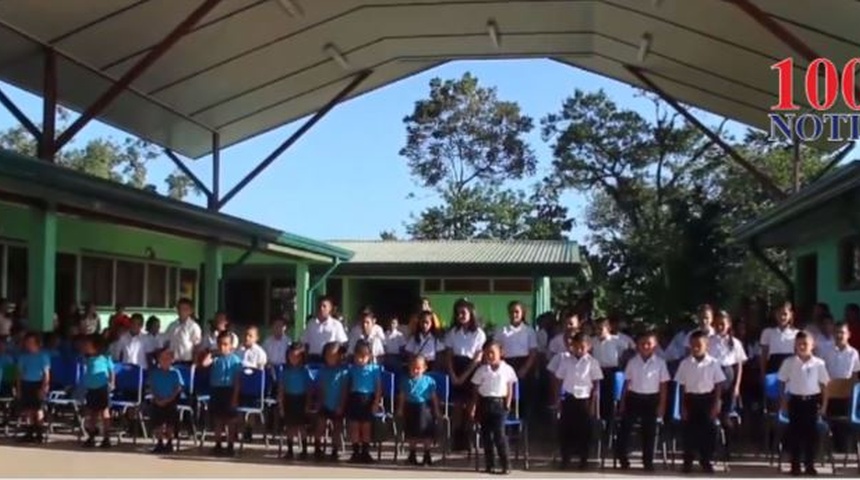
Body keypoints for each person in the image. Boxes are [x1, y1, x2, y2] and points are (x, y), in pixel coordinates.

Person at [615, 329, 670, 471]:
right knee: (625, 428)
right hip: (634, 398)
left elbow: (663, 386)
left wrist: (662, 405)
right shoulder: (632, 362)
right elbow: (626, 383)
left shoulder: (660, 363)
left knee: (649, 432)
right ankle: (622, 458)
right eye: (642, 344)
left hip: (652, 400)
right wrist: (623, 402)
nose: (646, 346)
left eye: (649, 344)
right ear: (637, 345)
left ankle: (648, 461)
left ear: (655, 345)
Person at [778, 331, 830, 476]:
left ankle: (810, 465)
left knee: (811, 434)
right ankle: (795, 465)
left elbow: (825, 385)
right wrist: (783, 401)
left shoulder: (819, 363)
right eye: (799, 344)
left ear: (812, 346)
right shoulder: (789, 362)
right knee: (795, 433)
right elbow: (781, 381)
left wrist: (824, 405)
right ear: (795, 345)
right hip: (795, 401)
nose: (802, 346)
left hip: (812, 402)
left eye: (805, 344)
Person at [675, 330, 725, 473]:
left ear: (706, 346)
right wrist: (682, 406)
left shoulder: (713, 363)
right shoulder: (685, 364)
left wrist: (716, 404)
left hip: (707, 400)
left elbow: (718, 385)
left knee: (708, 432)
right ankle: (687, 461)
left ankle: (706, 460)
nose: (695, 348)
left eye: (699, 345)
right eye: (693, 345)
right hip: (690, 400)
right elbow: (682, 386)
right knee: (689, 433)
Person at [554, 332, 602, 470]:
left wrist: (593, 403)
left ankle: (584, 459)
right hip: (569, 398)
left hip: (585, 400)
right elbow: (559, 379)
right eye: (576, 347)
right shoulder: (566, 361)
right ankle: (565, 458)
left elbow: (596, 384)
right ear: (572, 346)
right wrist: (558, 399)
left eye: (582, 347)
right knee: (566, 430)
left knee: (584, 431)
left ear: (588, 347)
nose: (579, 350)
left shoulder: (592, 362)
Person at [445, 298, 486, 452]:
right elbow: (448, 355)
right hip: (456, 367)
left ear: (471, 314)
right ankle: (455, 438)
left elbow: (477, 358)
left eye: (463, 312)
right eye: (458, 313)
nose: (460, 316)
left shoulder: (479, 333)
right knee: (456, 405)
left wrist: (464, 376)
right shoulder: (452, 332)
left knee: (470, 406)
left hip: (471, 369)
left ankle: (468, 438)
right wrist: (453, 374)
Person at [469, 341, 517, 474]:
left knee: (499, 435)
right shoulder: (481, 370)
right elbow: (476, 390)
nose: (490, 356)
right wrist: (473, 407)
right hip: (484, 404)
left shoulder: (507, 369)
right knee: (486, 436)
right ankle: (490, 465)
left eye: (492, 353)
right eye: (487, 353)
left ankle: (506, 464)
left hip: (499, 404)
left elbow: (510, 388)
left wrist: (507, 405)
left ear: (500, 353)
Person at [199, 331, 242, 457]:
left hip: (229, 390)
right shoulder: (215, 358)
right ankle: (217, 444)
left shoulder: (235, 360)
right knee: (217, 419)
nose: (222, 347)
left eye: (225, 344)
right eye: (220, 344)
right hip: (216, 390)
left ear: (230, 346)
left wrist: (235, 397)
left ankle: (230, 445)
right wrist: (212, 353)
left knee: (230, 420)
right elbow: (204, 363)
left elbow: (238, 381)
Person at [495, 301, 538, 416]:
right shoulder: (502, 330)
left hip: (524, 364)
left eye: (517, 312)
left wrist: (525, 368)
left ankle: (524, 424)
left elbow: (533, 352)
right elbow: (496, 348)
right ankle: (507, 417)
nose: (514, 314)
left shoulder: (529, 331)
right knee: (507, 394)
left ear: (522, 313)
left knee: (524, 396)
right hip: (507, 364)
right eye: (511, 312)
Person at [396, 355, 441, 466]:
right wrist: (400, 409)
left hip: (424, 408)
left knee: (426, 433)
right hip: (410, 408)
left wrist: (437, 410)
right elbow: (402, 396)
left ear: (424, 368)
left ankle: (427, 454)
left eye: (418, 368)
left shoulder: (429, 381)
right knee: (411, 433)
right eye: (413, 368)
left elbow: (434, 397)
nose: (415, 370)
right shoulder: (405, 380)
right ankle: (412, 454)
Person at [590, 316, 634, 424]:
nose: (598, 331)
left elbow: (631, 348)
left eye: (601, 329)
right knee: (597, 396)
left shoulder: (617, 340)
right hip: (596, 370)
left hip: (612, 371)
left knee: (611, 397)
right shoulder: (592, 341)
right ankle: (598, 419)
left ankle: (610, 420)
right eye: (596, 329)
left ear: (608, 328)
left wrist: (624, 362)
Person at [345, 340, 382, 463]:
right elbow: (348, 385)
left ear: (369, 356)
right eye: (358, 356)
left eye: (363, 357)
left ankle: (365, 452)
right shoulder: (351, 369)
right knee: (354, 427)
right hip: (355, 398)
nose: (360, 360)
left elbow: (378, 387)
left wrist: (376, 402)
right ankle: (355, 452)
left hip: (368, 399)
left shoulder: (374, 369)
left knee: (366, 427)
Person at [707, 311, 747, 425]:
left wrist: (737, 386)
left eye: (723, 324)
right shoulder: (709, 341)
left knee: (727, 413)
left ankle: (728, 439)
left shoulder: (735, 343)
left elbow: (739, 365)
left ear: (728, 324)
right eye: (717, 324)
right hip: (713, 378)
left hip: (729, 378)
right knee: (714, 409)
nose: (720, 327)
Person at [313, 341, 348, 461]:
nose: (330, 358)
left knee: (337, 428)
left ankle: (335, 450)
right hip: (324, 403)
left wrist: (341, 405)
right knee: (320, 426)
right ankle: (318, 448)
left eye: (333, 355)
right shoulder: (322, 371)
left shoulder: (344, 371)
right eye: (328, 355)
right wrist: (319, 402)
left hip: (338, 404)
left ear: (339, 356)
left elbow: (344, 390)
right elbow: (319, 387)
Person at [278, 343, 313, 460]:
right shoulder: (285, 371)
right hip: (289, 399)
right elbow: (281, 389)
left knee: (301, 427)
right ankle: (290, 450)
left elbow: (309, 390)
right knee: (290, 427)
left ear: (302, 357)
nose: (294, 359)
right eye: (292, 356)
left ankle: (304, 450)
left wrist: (308, 404)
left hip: (301, 400)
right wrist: (281, 405)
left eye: (298, 356)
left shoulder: (305, 372)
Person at [81, 334, 115, 449]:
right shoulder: (87, 358)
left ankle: (106, 437)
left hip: (102, 388)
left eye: (88, 345)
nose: (85, 346)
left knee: (104, 412)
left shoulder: (105, 357)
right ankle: (91, 436)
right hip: (91, 388)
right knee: (92, 413)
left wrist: (112, 383)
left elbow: (111, 371)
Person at [16, 332, 50, 443]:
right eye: (27, 342)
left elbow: (46, 374)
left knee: (38, 409)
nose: (28, 345)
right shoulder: (23, 357)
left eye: (31, 342)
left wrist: (44, 387)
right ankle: (29, 432)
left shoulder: (43, 356)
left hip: (38, 384)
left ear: (38, 344)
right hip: (26, 383)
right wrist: (19, 388)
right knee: (28, 410)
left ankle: (39, 433)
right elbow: (20, 374)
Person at [148, 348, 183, 453]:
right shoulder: (154, 373)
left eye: (167, 359)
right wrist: (157, 398)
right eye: (162, 359)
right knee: (157, 422)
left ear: (172, 360)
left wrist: (168, 399)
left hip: (170, 401)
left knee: (170, 423)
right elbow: (151, 387)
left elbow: (178, 389)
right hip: (157, 400)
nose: (165, 361)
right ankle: (159, 442)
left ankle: (169, 442)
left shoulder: (175, 373)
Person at [302, 296, 348, 364]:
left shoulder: (336, 324)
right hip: (312, 359)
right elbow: (304, 342)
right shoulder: (311, 324)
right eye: (319, 306)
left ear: (330, 308)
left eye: (324, 306)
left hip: (329, 360)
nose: (321, 308)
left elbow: (343, 343)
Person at [760, 301, 798, 375]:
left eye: (785, 314)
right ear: (775, 314)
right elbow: (764, 354)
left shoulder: (796, 333)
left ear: (791, 315)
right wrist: (763, 373)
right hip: (773, 367)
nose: (782, 317)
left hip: (791, 367)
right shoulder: (768, 332)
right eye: (779, 314)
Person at [165, 298, 202, 363]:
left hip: (187, 361)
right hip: (172, 361)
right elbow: (167, 342)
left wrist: (195, 363)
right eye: (180, 309)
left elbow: (197, 346)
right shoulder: (172, 326)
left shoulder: (193, 327)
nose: (182, 311)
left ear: (190, 311)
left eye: (185, 309)